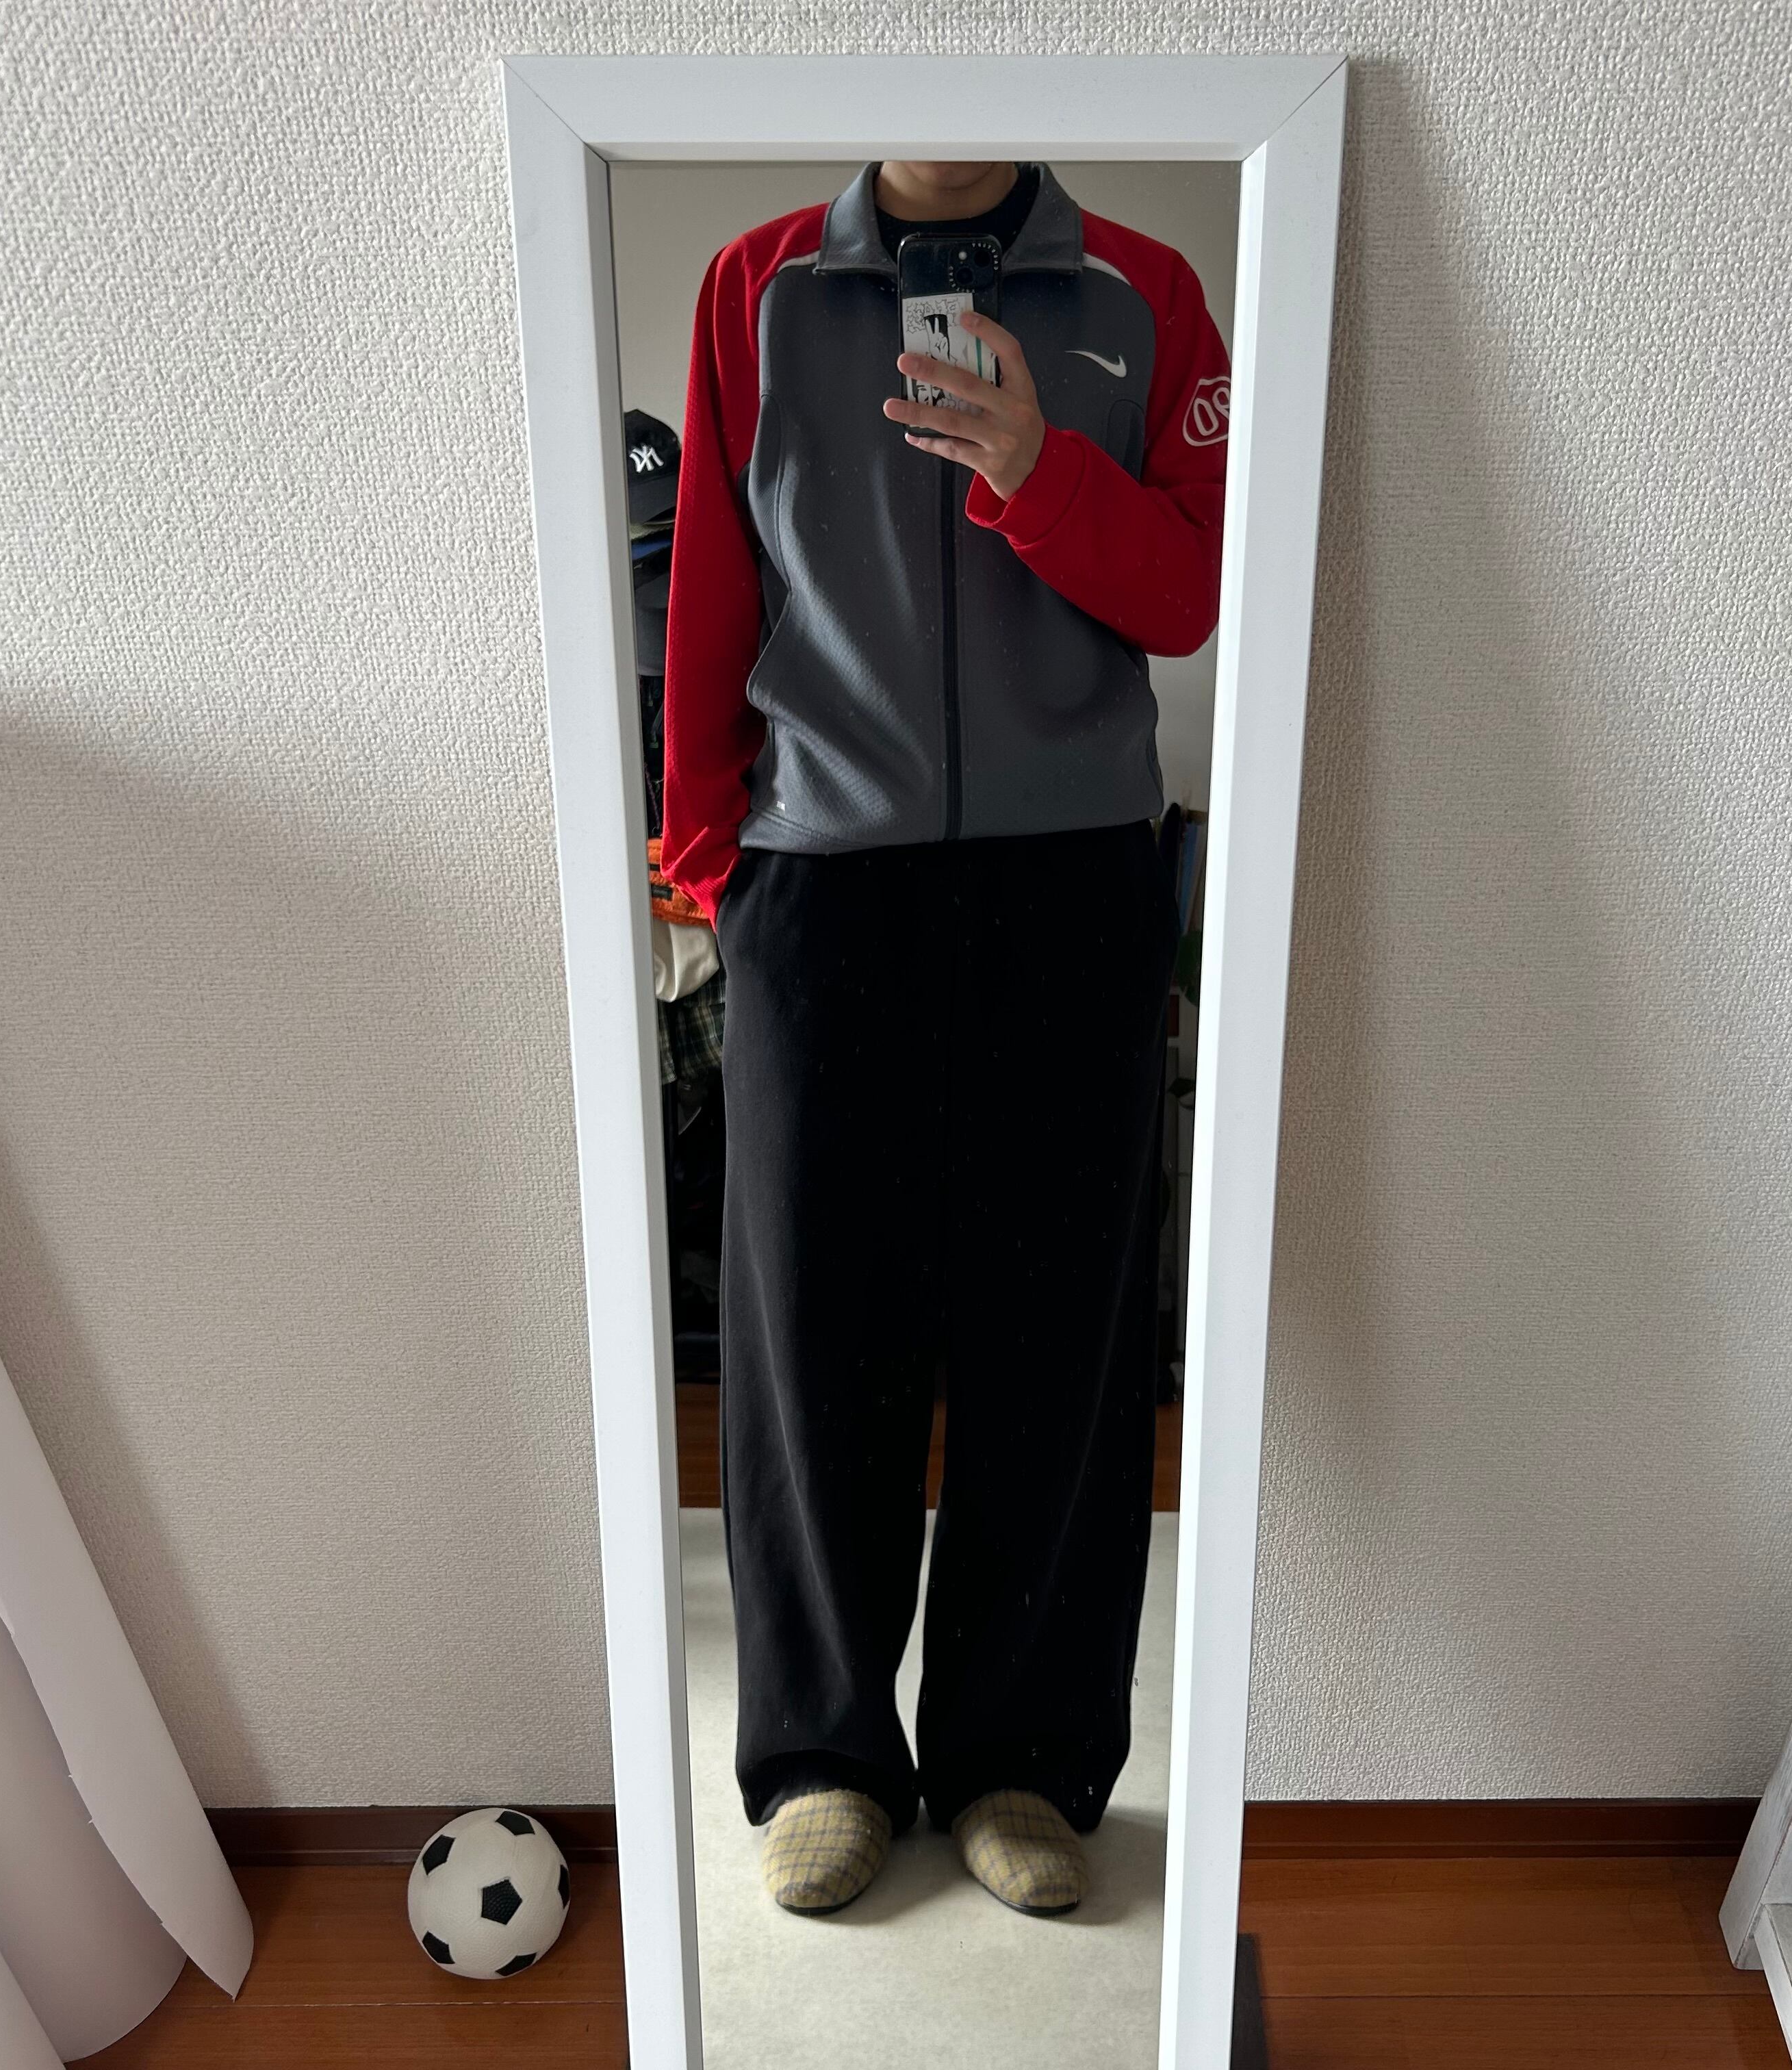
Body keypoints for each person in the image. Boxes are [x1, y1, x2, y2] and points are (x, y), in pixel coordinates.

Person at [661, 158, 1229, 1918]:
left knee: (1060, 1333)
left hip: (1074, 881)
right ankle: (823, 1759)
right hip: (821, 879)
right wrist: (703, 856)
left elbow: (1193, 594)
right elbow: (711, 587)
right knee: (810, 1328)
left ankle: (1018, 1762)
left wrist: (1038, 469)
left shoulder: (1145, 291)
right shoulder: (759, 286)